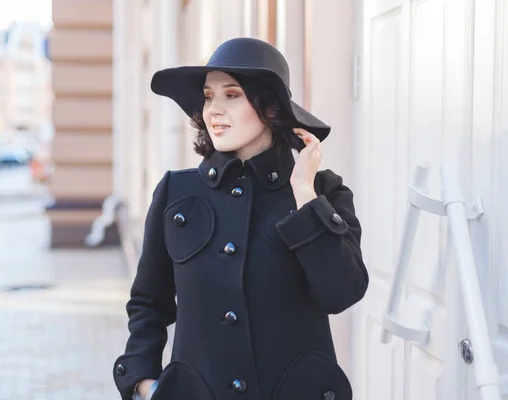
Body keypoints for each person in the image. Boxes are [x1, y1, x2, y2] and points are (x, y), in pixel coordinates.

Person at [113, 37, 369, 400]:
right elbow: (147, 305)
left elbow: (340, 293)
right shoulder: (176, 192)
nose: (213, 109)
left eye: (231, 95)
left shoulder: (323, 192)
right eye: (208, 95)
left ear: (270, 107)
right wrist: (143, 383)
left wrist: (304, 194)